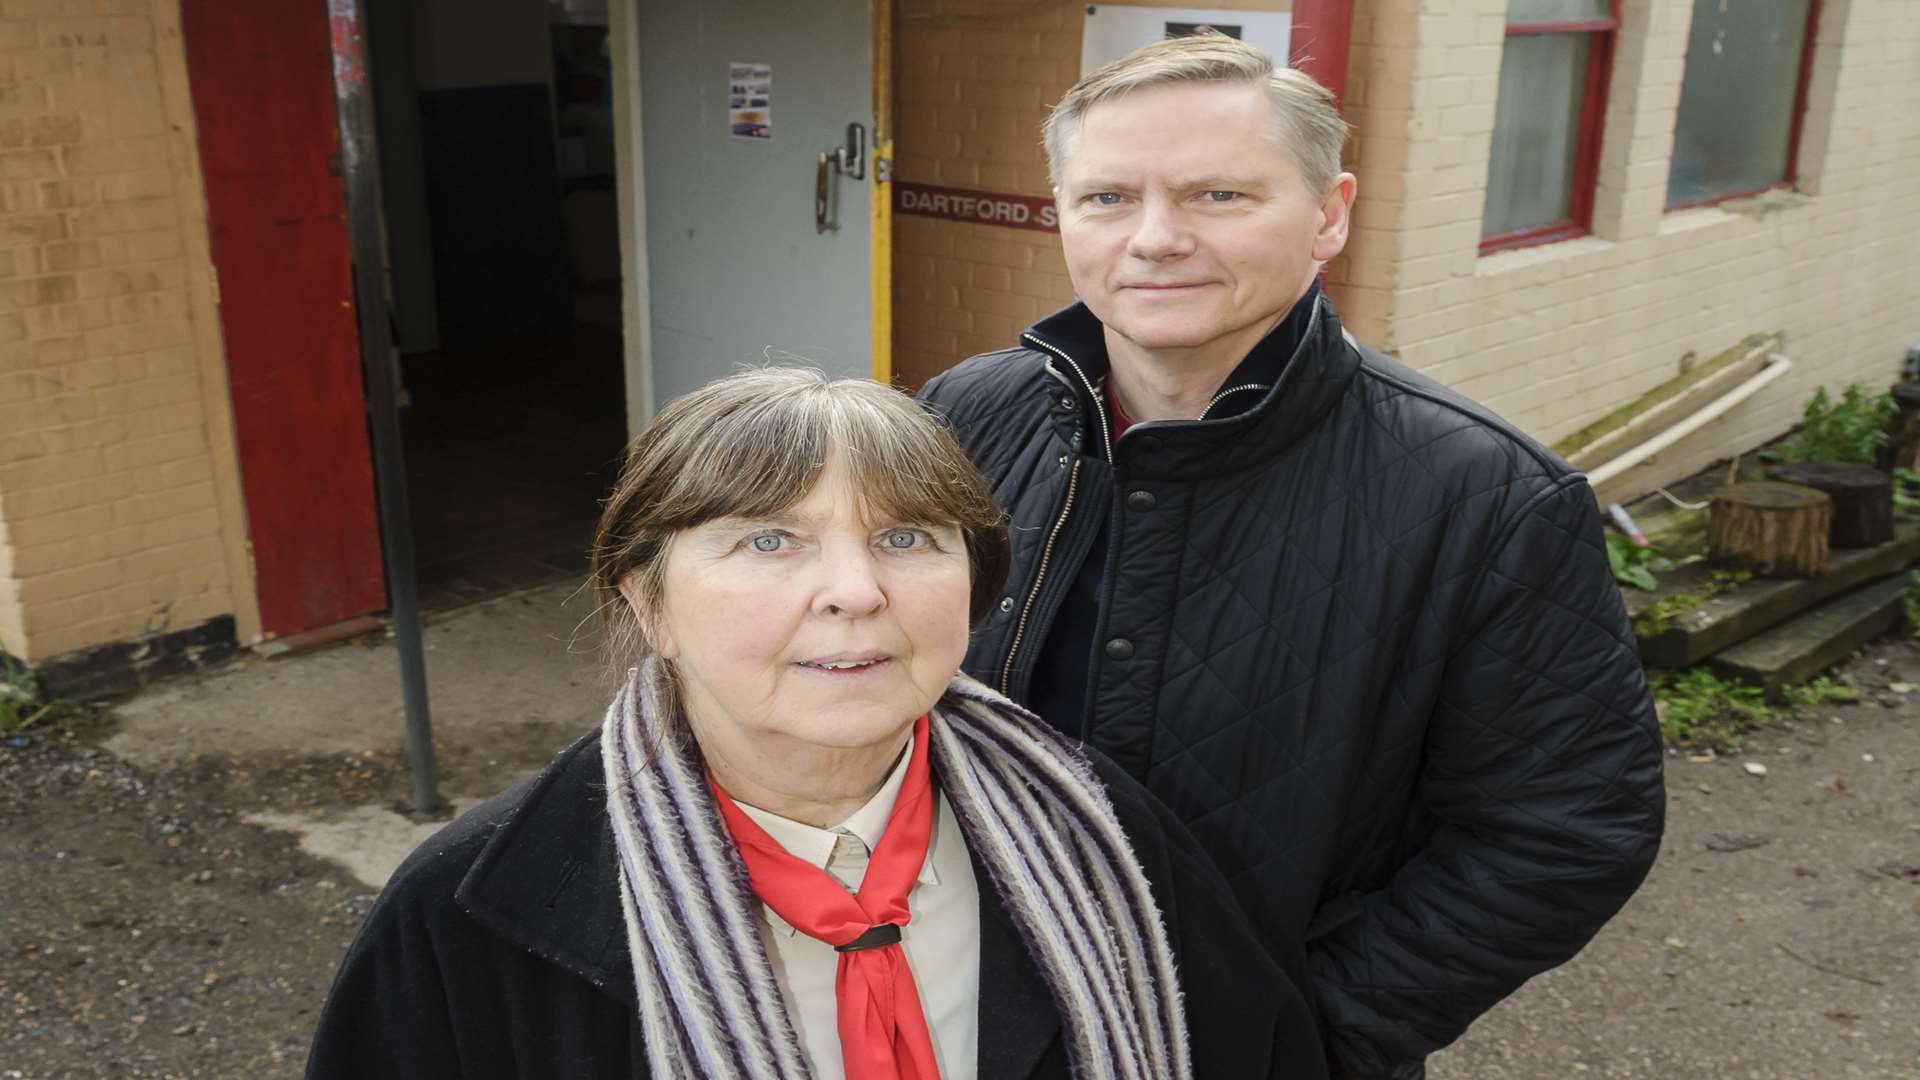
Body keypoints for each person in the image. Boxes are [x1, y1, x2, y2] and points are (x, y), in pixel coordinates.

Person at [917, 32, 1666, 1080]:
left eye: (1219, 196)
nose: (1155, 239)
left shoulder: (1482, 497)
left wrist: (1301, 1030)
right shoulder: (962, 415)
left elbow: (1565, 827)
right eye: (1106, 199)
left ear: (1331, 214)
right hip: (954, 1020)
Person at [307, 367, 1326, 1080]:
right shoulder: (472, 912)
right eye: (767, 541)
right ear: (646, 603)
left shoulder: (1098, 832)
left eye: (906, 535)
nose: (854, 590)